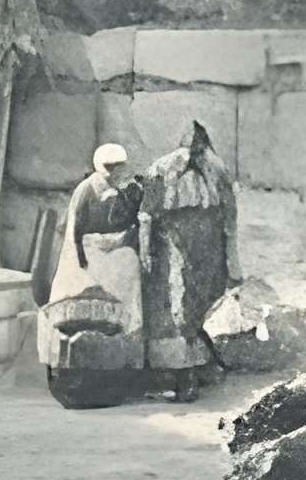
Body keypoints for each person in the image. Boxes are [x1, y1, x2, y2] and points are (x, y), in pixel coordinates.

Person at [139, 120, 239, 401]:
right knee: (176, 311)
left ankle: (192, 374)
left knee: (194, 310)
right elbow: (147, 214)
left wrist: (231, 260)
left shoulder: (215, 169)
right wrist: (146, 249)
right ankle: (181, 378)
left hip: (204, 252)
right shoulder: (162, 169)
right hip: (174, 248)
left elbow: (229, 216)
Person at [40, 142, 146, 408]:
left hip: (117, 252)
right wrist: (81, 258)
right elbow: (75, 226)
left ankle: (124, 369)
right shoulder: (86, 189)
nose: (114, 171)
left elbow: (130, 222)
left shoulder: (126, 189)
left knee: (124, 302)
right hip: (88, 252)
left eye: (118, 166)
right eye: (111, 166)